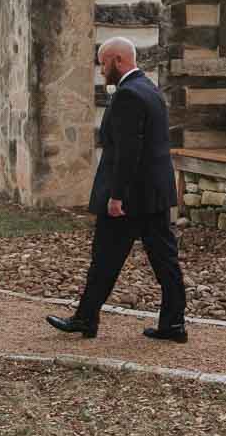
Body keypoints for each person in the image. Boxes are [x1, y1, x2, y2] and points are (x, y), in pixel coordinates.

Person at [47, 37, 188, 342]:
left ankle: (86, 319)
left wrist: (116, 196)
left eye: (103, 62)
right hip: (153, 194)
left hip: (130, 199)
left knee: (105, 258)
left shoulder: (128, 95)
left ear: (118, 60)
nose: (100, 70)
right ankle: (173, 324)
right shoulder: (149, 88)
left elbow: (128, 152)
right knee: (164, 259)